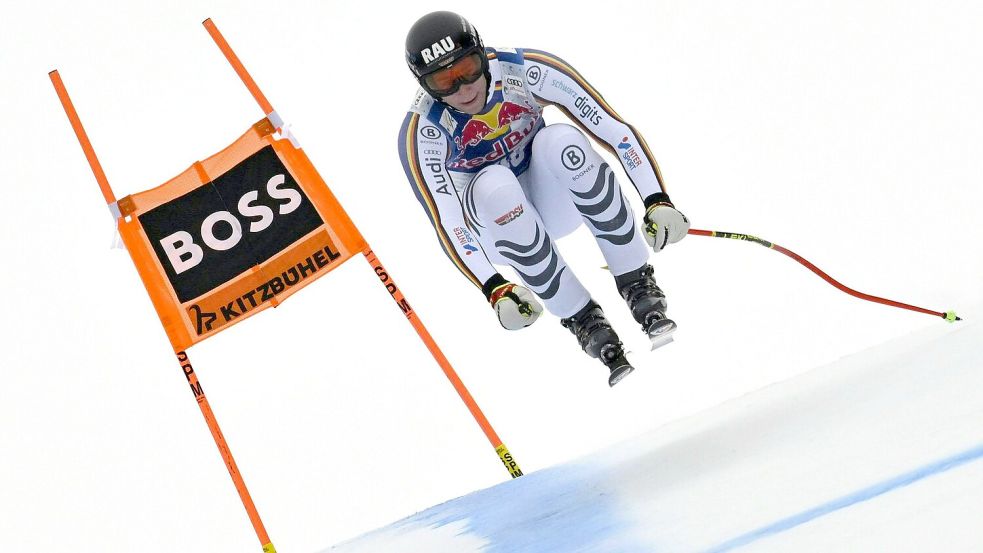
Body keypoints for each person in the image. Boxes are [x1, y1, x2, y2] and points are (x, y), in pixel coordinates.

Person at [397, 11, 690, 386]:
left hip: (556, 201)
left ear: (482, 52)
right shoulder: (425, 130)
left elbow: (614, 130)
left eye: (469, 68)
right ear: (425, 86)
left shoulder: (524, 70)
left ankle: (638, 283)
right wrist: (493, 286)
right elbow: (447, 220)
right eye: (444, 82)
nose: (464, 89)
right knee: (494, 182)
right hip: (499, 226)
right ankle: (584, 320)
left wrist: (656, 199)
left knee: (561, 140)